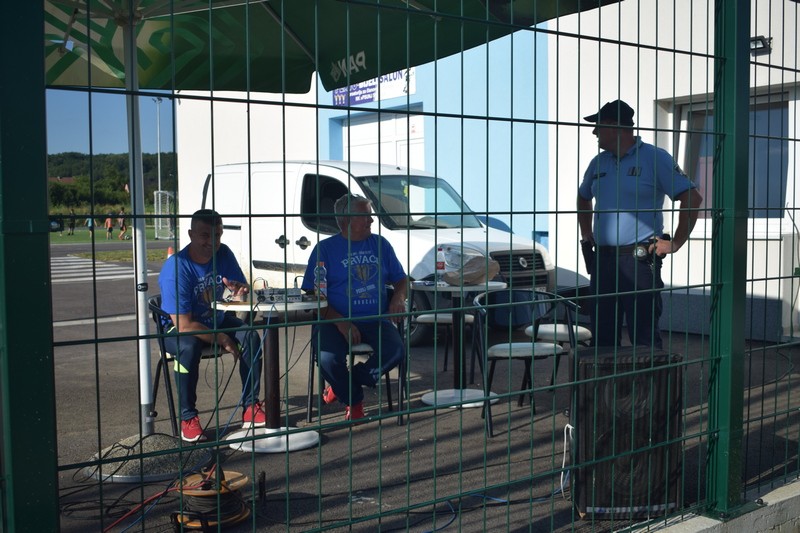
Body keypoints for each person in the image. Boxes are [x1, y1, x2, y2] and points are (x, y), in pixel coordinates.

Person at [577, 99, 703, 348]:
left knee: (643, 337)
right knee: (602, 336)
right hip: (603, 261)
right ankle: (607, 375)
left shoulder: (655, 158)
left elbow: (692, 198)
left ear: (614, 126)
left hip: (638, 261)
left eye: (598, 126)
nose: (594, 132)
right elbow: (583, 197)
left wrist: (675, 243)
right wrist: (586, 233)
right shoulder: (598, 162)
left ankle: (648, 375)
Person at [158, 209, 265, 442]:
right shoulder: (177, 267)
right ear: (191, 235)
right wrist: (222, 338)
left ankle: (251, 406)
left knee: (251, 336)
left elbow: (241, 289)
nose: (212, 242)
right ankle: (188, 417)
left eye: (217, 235)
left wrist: (240, 291)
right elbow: (184, 324)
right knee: (189, 347)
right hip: (179, 328)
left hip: (215, 319)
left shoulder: (223, 253)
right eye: (205, 235)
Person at [302, 193, 408, 421]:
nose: (371, 220)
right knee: (328, 359)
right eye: (365, 216)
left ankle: (343, 386)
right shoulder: (324, 249)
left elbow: (401, 279)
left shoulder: (380, 244)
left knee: (396, 351)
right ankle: (354, 399)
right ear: (346, 219)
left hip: (375, 319)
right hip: (333, 320)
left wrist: (398, 298)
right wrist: (341, 322)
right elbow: (314, 295)